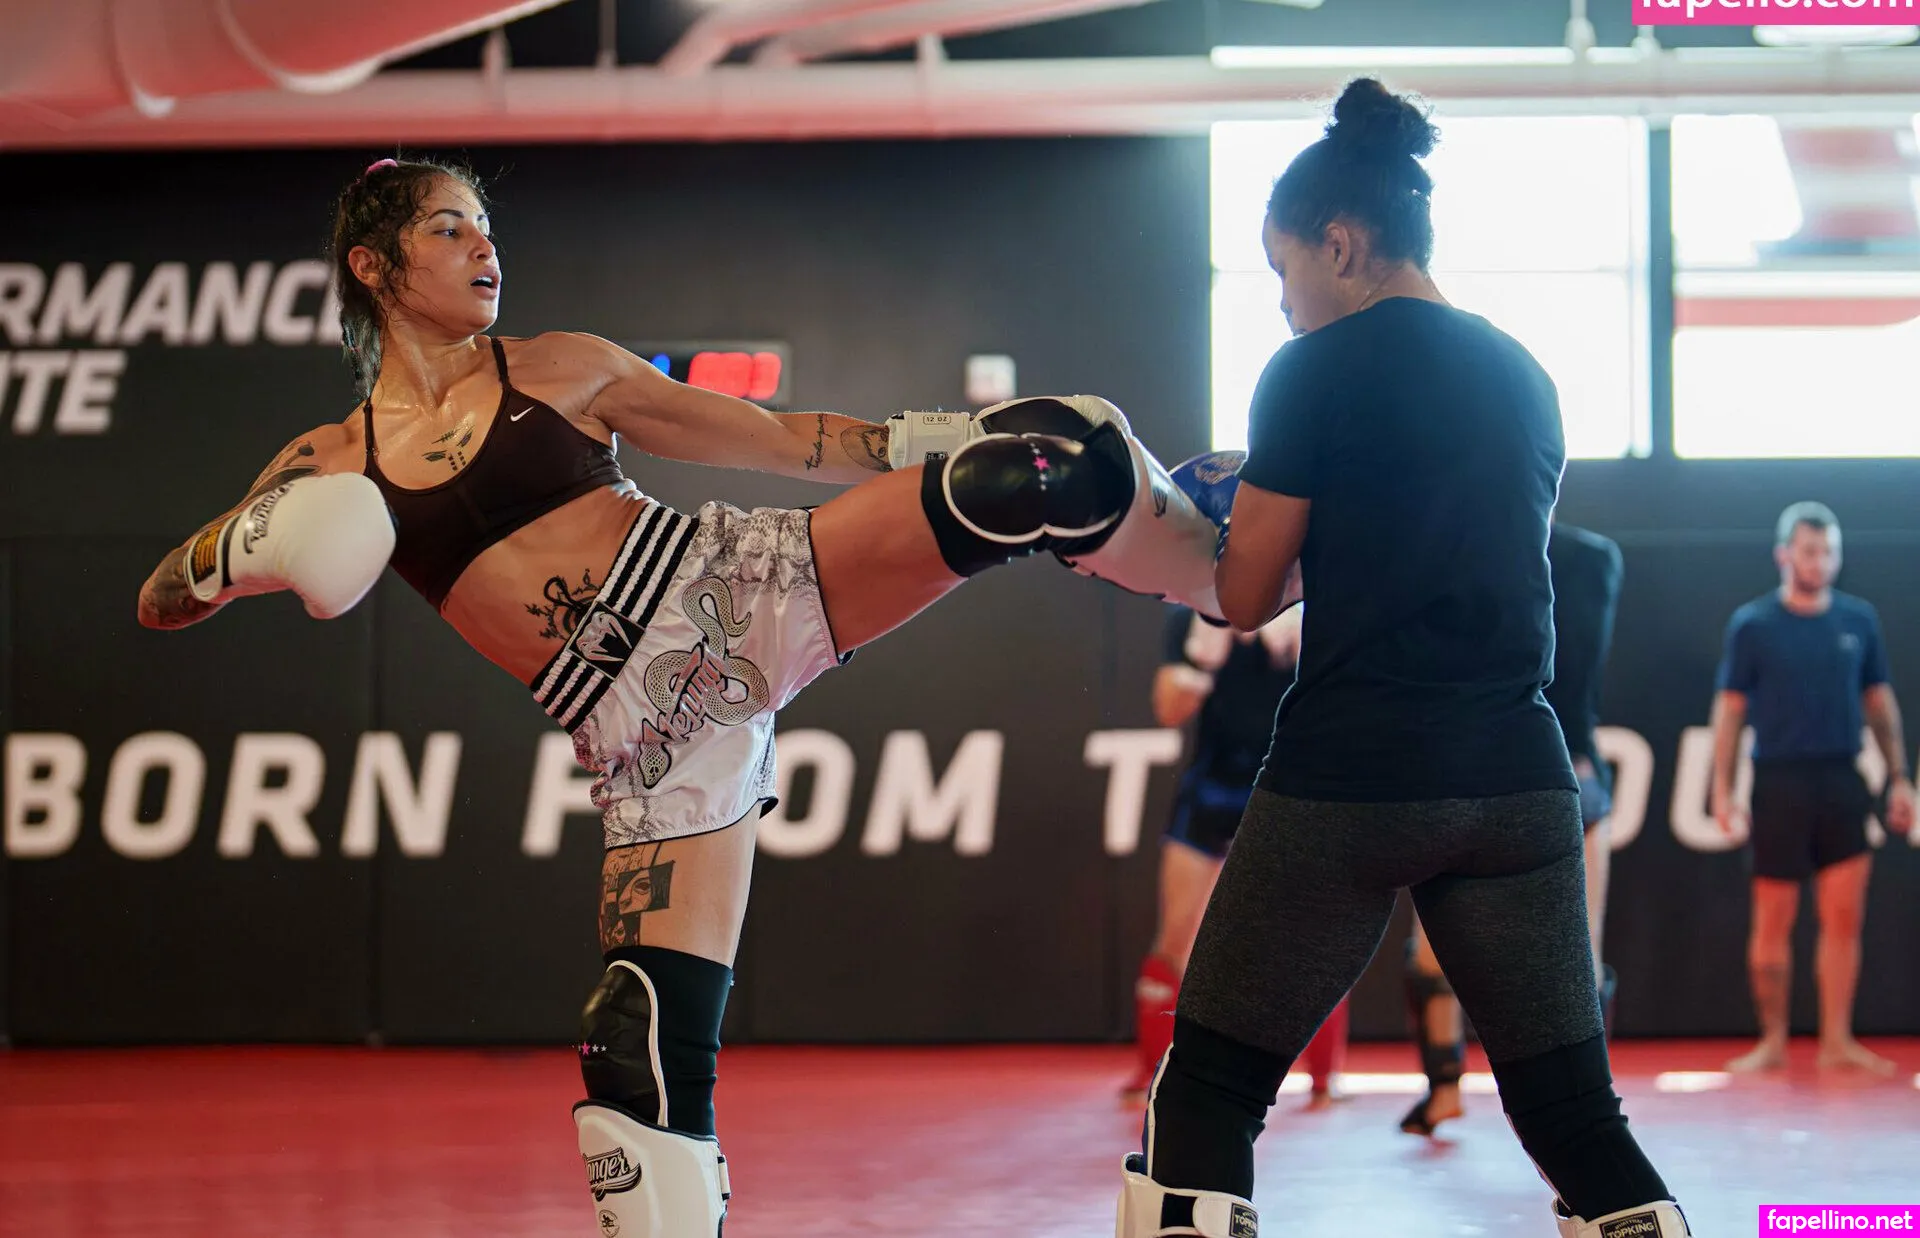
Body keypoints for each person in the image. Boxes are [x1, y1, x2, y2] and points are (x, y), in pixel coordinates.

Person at [133, 156, 1233, 1238]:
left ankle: (1220, 573)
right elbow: (159, 600)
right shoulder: (332, 458)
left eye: (485, 225)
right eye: (447, 228)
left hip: (740, 586)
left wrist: (941, 435)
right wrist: (231, 551)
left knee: (1029, 470)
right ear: (371, 265)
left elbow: (784, 439)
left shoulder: (560, 366)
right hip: (649, 737)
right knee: (635, 1049)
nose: (484, 246)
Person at [1112, 80, 1689, 1238]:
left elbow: (1243, 595)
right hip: (1519, 782)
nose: (1283, 303)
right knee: (1578, 1119)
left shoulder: (1312, 369)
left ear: (1340, 243)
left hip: (1353, 778)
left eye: (1283, 271)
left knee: (1209, 1089)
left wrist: (1141, 541)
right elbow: (1438, 544)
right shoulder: (1527, 374)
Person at [1400, 522, 1625, 1137]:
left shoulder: (1458, 546)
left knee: (1436, 946)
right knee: (1577, 949)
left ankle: (1447, 1091)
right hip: (1558, 761)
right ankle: (1582, 1107)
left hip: (1479, 762)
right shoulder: (1588, 557)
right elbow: (1574, 667)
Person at [1709, 501, 1915, 1075]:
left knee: (1844, 919)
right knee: (1772, 922)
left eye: (1829, 552)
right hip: (1778, 782)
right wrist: (1722, 790)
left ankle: (1837, 1041)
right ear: (1784, 555)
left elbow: (1880, 703)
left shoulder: (1858, 620)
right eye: (1809, 551)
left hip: (1842, 780)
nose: (1820, 562)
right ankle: (1772, 1041)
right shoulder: (1753, 625)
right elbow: (1729, 712)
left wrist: (1900, 778)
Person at [1125, 597, 1350, 1109]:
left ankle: (1324, 1076)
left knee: (1312, 937)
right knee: (1177, 935)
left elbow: (1347, 712)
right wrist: (1201, 660)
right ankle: (1152, 1074)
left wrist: (1308, 659)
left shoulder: (1314, 610)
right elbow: (1167, 710)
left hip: (1289, 789)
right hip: (1213, 789)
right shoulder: (1194, 615)